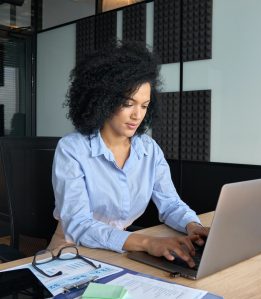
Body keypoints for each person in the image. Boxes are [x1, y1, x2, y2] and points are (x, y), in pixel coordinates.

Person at [48, 40, 208, 268]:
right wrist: (147, 243)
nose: (137, 115)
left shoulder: (149, 149)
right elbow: (80, 224)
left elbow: (170, 203)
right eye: (128, 103)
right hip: (71, 250)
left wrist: (193, 226)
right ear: (103, 99)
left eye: (144, 106)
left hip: (122, 250)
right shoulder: (72, 149)